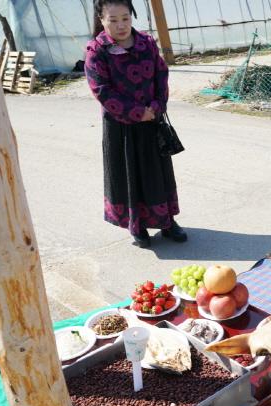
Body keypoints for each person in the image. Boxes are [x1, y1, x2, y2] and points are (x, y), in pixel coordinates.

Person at [85, 0, 186, 248]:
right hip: (121, 127)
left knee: (158, 174)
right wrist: (136, 112)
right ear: (102, 20)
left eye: (125, 18)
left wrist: (157, 105)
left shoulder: (147, 44)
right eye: (113, 20)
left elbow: (161, 74)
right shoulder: (97, 50)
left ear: (132, 17)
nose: (121, 25)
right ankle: (137, 226)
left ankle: (167, 222)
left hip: (152, 121)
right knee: (130, 176)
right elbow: (101, 90)